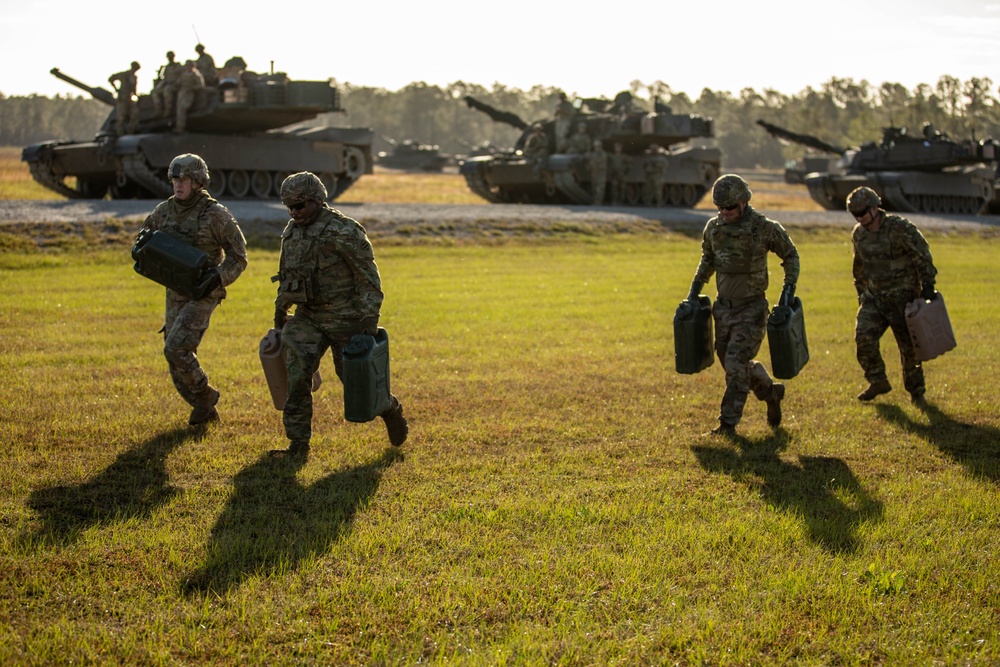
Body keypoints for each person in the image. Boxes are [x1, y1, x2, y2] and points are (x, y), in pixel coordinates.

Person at [270, 172, 408, 458]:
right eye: (289, 207)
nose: (294, 212)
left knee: (356, 381)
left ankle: (390, 408)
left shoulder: (344, 230)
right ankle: (297, 445)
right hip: (308, 317)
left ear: (317, 201)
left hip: (348, 318)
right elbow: (288, 274)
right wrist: (281, 309)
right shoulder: (292, 231)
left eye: (299, 205)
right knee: (296, 373)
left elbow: (368, 277)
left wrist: (369, 320)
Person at [136, 154, 248, 425]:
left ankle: (206, 395)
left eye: (184, 179)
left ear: (198, 182)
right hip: (175, 291)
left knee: (176, 349)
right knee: (174, 359)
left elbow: (239, 256)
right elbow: (145, 237)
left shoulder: (216, 215)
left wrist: (217, 278)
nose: (178, 184)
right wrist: (141, 247)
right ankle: (205, 409)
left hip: (203, 293)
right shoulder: (164, 211)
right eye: (175, 179)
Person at [685, 174, 800, 436]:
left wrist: (788, 290)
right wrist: (693, 291)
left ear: (744, 202)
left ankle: (727, 425)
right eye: (720, 208)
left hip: (752, 309)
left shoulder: (764, 227)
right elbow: (708, 260)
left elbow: (791, 255)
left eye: (730, 207)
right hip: (723, 309)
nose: (725, 213)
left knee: (736, 364)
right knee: (733, 364)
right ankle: (771, 392)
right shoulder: (713, 228)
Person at [847, 186, 938, 403]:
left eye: (862, 212)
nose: (859, 218)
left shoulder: (900, 229)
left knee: (909, 349)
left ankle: (917, 393)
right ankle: (878, 380)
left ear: (874, 208)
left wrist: (927, 285)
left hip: (903, 299)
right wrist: (861, 293)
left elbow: (922, 255)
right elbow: (859, 267)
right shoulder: (859, 235)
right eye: (854, 214)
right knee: (863, 337)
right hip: (875, 298)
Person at [108, 61, 141, 135]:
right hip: (122, 98)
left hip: (129, 98)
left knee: (134, 115)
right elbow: (111, 79)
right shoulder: (123, 74)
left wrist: (137, 95)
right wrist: (116, 89)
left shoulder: (134, 77)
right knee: (121, 117)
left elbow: (134, 89)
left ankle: (130, 131)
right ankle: (120, 133)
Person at [174, 60, 205, 133]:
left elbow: (200, 86)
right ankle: (179, 127)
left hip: (189, 94)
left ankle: (181, 127)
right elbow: (178, 83)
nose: (188, 67)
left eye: (190, 66)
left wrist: (192, 88)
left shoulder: (196, 75)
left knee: (183, 109)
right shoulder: (183, 75)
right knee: (179, 110)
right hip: (181, 93)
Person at [151, 51, 181, 118]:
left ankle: (168, 110)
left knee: (167, 90)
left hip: (176, 86)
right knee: (155, 91)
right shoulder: (167, 68)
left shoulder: (178, 66)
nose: (170, 58)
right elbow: (164, 79)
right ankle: (158, 110)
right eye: (169, 57)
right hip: (167, 85)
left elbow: (181, 77)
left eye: (171, 57)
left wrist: (177, 83)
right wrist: (159, 86)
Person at [586, 139, 608, 205]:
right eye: (595, 146)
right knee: (594, 189)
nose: (597, 148)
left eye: (598, 146)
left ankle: (598, 202)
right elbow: (588, 159)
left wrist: (592, 164)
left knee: (600, 189)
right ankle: (595, 201)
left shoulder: (603, 154)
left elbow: (602, 165)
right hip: (594, 174)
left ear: (600, 147)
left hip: (600, 175)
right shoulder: (592, 154)